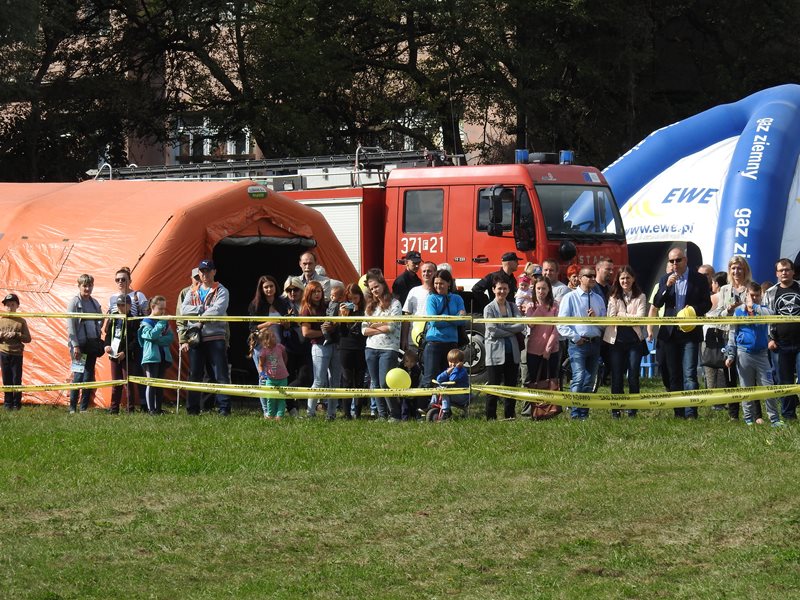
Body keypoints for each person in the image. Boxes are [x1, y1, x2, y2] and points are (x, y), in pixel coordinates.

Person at [652, 247, 712, 419]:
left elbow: (707, 304)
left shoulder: (699, 279)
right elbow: (657, 302)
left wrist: (693, 310)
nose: (674, 264)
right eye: (671, 261)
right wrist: (666, 287)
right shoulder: (665, 279)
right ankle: (678, 413)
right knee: (674, 375)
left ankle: (691, 412)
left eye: (678, 260)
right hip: (670, 333)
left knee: (690, 374)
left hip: (690, 333)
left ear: (685, 260)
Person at [725, 281, 783, 427]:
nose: (754, 298)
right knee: (747, 388)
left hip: (762, 354)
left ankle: (775, 419)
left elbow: (772, 316)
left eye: (757, 295)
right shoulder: (739, 312)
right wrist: (731, 355)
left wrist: (755, 307)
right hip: (744, 353)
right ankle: (748, 419)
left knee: (768, 386)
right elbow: (732, 334)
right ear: (746, 295)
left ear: (761, 296)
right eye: (751, 295)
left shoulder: (763, 310)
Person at [181, 259, 232, 416]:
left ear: (214, 272)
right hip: (196, 338)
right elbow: (183, 310)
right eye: (202, 271)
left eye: (208, 271)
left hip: (216, 338)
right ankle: (192, 409)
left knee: (220, 374)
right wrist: (202, 309)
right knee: (194, 374)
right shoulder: (192, 291)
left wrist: (198, 318)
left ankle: (224, 408)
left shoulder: (222, 290)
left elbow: (218, 311)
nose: (205, 274)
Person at [557, 267, 607, 420]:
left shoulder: (599, 299)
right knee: (578, 377)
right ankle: (575, 414)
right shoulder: (569, 297)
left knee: (590, 380)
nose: (592, 278)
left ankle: (584, 414)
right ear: (580, 278)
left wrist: (596, 319)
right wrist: (575, 337)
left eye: (594, 276)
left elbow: (605, 324)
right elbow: (561, 324)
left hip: (595, 343)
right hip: (578, 344)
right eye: (588, 276)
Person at [709, 256, 753, 421]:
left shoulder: (751, 287)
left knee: (748, 375)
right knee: (730, 374)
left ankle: (753, 413)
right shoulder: (724, 290)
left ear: (745, 270)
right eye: (733, 268)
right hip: (728, 336)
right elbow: (718, 313)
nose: (736, 271)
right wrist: (728, 310)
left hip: (747, 335)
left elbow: (757, 310)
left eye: (739, 268)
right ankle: (733, 414)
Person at [603, 266, 647, 418]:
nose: (625, 281)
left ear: (633, 279)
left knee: (633, 375)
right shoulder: (613, 296)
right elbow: (611, 318)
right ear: (618, 280)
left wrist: (621, 315)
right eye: (622, 278)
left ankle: (633, 410)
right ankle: (616, 410)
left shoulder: (641, 296)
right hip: (616, 342)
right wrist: (628, 317)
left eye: (628, 277)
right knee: (616, 376)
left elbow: (640, 318)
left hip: (634, 342)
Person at [484, 274, 526, 420]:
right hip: (495, 353)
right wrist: (511, 330)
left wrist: (503, 327)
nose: (502, 291)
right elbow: (492, 331)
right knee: (494, 386)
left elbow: (521, 325)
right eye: (499, 288)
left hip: (512, 353)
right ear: (493, 289)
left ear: (508, 290)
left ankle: (510, 415)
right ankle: (491, 417)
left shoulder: (513, 307)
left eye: (505, 288)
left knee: (511, 386)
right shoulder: (489, 308)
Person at [764, 258, 800, 421]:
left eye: (787, 269)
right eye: (781, 270)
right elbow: (764, 318)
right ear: (776, 274)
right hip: (779, 344)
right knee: (784, 382)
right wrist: (769, 339)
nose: (784, 272)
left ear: (793, 272)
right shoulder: (770, 293)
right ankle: (789, 415)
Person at [362, 274, 402, 420]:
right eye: (372, 288)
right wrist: (381, 325)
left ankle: (395, 414)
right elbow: (364, 330)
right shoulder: (370, 306)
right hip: (370, 348)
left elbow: (391, 327)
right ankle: (382, 415)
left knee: (385, 383)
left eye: (376, 286)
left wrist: (374, 325)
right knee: (375, 383)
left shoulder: (395, 304)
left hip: (389, 348)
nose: (374, 290)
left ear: (383, 285)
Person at [422, 269, 467, 391]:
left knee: (449, 379)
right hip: (434, 343)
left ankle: (445, 403)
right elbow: (434, 322)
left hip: (451, 344)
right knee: (430, 380)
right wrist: (453, 318)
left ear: (449, 283)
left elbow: (462, 320)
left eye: (441, 283)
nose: (438, 286)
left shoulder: (457, 298)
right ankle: (426, 403)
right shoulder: (431, 298)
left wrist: (442, 318)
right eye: (436, 283)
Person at [300, 280, 339, 419]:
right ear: (308, 293)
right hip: (319, 347)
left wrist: (333, 326)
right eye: (314, 292)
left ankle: (332, 413)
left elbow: (335, 323)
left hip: (335, 345)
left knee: (335, 381)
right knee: (319, 381)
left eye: (319, 291)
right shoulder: (306, 309)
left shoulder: (328, 305)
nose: (317, 294)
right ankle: (310, 413)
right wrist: (323, 332)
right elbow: (306, 333)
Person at [67, 274, 103, 413]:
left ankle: (83, 408)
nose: (87, 288)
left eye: (90, 285)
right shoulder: (74, 302)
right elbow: (70, 326)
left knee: (88, 376)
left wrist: (97, 331)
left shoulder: (95, 303)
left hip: (92, 345)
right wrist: (75, 345)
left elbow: (101, 319)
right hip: (79, 346)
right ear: (79, 286)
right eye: (85, 285)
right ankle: (72, 407)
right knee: (78, 375)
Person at [103, 295, 140, 414]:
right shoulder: (113, 317)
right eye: (118, 305)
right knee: (116, 383)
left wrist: (125, 352)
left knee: (127, 383)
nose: (120, 307)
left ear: (129, 306)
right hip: (113, 354)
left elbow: (135, 340)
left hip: (127, 356)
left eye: (123, 305)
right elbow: (108, 335)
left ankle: (130, 409)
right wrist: (106, 345)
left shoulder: (133, 320)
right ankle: (114, 409)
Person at [281, 276, 311, 416]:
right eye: (289, 290)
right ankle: (292, 408)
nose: (292, 292)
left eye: (296, 290)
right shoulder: (282, 304)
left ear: (301, 290)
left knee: (305, 377)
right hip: (288, 346)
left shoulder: (308, 303)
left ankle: (284, 393)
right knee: (288, 376)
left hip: (306, 346)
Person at [138, 296, 173, 415]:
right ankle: (151, 410)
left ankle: (158, 409)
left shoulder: (164, 322)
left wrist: (157, 339)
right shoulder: (146, 322)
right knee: (151, 383)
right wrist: (161, 324)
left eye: (164, 309)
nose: (163, 311)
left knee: (160, 384)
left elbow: (170, 338)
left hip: (163, 356)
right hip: (151, 357)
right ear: (153, 307)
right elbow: (151, 336)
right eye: (160, 308)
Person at [524, 277, 560, 388]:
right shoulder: (530, 306)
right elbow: (531, 324)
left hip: (552, 349)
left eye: (544, 288)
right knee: (535, 381)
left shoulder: (555, 306)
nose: (541, 291)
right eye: (538, 288)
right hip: (534, 349)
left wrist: (548, 349)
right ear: (534, 289)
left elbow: (556, 328)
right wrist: (539, 308)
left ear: (549, 289)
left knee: (550, 381)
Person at [338, 283, 367, 419]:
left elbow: (364, 329)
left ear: (360, 297)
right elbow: (341, 333)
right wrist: (343, 318)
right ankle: (346, 413)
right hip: (345, 347)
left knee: (359, 380)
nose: (353, 301)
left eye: (355, 298)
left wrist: (359, 311)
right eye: (350, 299)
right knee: (347, 380)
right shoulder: (342, 308)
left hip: (361, 347)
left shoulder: (365, 309)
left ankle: (358, 413)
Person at [0, 293, 31, 410]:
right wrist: (1, 335)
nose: (10, 307)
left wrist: (16, 334)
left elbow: (28, 338)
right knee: (6, 379)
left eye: (12, 304)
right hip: (3, 352)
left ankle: (17, 404)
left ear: (17, 306)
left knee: (16, 379)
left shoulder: (21, 321)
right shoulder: (1, 319)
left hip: (17, 353)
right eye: (7, 305)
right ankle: (7, 403)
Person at [251, 326, 289, 420]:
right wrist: (262, 374)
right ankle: (270, 415)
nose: (275, 338)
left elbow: (285, 357)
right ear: (266, 340)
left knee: (281, 398)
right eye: (272, 337)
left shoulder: (280, 347)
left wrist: (283, 367)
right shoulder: (263, 352)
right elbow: (260, 365)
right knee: (270, 398)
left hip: (283, 378)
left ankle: (279, 415)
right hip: (270, 379)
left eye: (274, 336)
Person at [402, 260, 436, 351]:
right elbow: (407, 316)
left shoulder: (439, 292)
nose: (426, 273)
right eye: (424, 271)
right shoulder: (414, 291)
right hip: (413, 339)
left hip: (433, 339)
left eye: (429, 271)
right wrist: (404, 338)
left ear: (435, 273)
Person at [430, 348, 469, 419]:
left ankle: (446, 412)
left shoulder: (462, 371)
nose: (453, 364)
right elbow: (439, 379)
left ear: (461, 362)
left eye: (455, 362)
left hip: (463, 395)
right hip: (453, 393)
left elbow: (452, 379)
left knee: (445, 392)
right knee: (436, 389)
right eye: (450, 362)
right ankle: (432, 405)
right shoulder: (450, 370)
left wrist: (457, 369)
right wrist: (446, 372)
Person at [399, 347, 422, 420]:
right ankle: (404, 418)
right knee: (404, 405)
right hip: (403, 390)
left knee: (414, 404)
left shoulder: (417, 369)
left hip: (413, 389)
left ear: (415, 362)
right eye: (407, 361)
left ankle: (414, 416)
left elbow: (418, 379)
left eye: (412, 362)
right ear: (404, 361)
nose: (409, 363)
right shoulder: (401, 369)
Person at [323, 281, 345, 346]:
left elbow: (333, 313)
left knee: (325, 327)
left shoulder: (338, 304)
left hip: (332, 320)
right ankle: (327, 338)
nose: (331, 297)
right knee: (323, 327)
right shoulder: (330, 302)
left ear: (339, 298)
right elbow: (328, 309)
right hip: (328, 318)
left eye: (333, 296)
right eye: (331, 295)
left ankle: (328, 338)